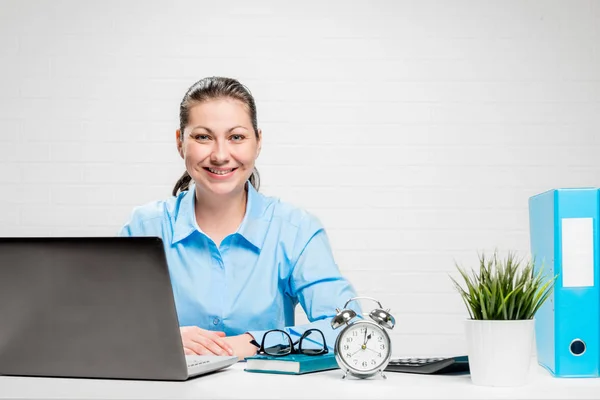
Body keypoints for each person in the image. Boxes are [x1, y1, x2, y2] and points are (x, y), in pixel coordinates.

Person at [119, 76, 359, 359]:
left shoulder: (296, 231)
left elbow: (349, 329)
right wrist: (163, 337)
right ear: (180, 143)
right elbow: (109, 326)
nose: (220, 155)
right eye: (203, 137)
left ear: (258, 142)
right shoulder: (144, 228)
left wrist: (247, 343)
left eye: (236, 137)